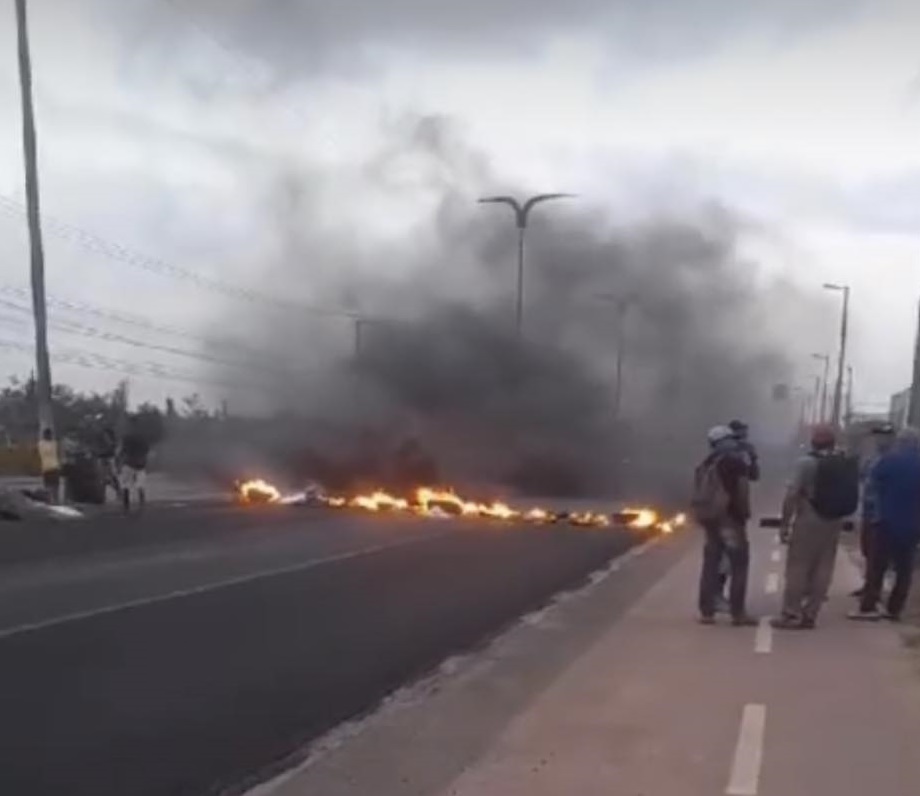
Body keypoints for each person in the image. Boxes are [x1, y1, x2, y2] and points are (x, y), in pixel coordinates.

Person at [772, 424, 859, 629]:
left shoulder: (806, 463)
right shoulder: (843, 462)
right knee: (824, 566)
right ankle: (811, 614)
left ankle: (791, 614)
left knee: (798, 567)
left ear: (813, 441)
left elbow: (793, 494)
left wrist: (785, 523)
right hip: (834, 520)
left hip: (810, 517)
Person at [850, 427, 920, 622]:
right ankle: (895, 609)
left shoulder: (888, 461)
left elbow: (871, 490)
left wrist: (871, 516)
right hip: (913, 525)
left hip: (885, 522)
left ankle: (869, 607)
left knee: (877, 567)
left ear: (901, 442)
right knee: (904, 569)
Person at [694, 425, 757, 626]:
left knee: (711, 564)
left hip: (709, 518)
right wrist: (743, 514)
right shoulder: (734, 462)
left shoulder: (707, 462)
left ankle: (707, 611)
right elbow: (741, 490)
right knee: (739, 564)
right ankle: (738, 613)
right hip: (729, 518)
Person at [852, 423, 896, 598]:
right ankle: (869, 585)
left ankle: (874, 590)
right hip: (868, 511)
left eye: (883, 436)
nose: (879, 439)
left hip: (882, 513)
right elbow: (862, 476)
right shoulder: (872, 457)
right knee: (868, 551)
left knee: (878, 555)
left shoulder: (892, 458)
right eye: (877, 436)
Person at [118, 418, 151, 514]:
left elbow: (122, 450)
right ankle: (142, 503)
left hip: (128, 462)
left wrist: (119, 461)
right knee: (140, 484)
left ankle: (126, 505)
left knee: (126, 484)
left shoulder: (127, 437)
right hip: (140, 463)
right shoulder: (143, 437)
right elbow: (146, 450)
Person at [37, 427, 62, 504]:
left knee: (49, 487)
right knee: (54, 487)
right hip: (53, 467)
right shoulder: (54, 443)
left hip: (47, 468)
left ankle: (50, 502)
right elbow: (58, 453)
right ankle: (55, 501)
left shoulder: (40, 444)